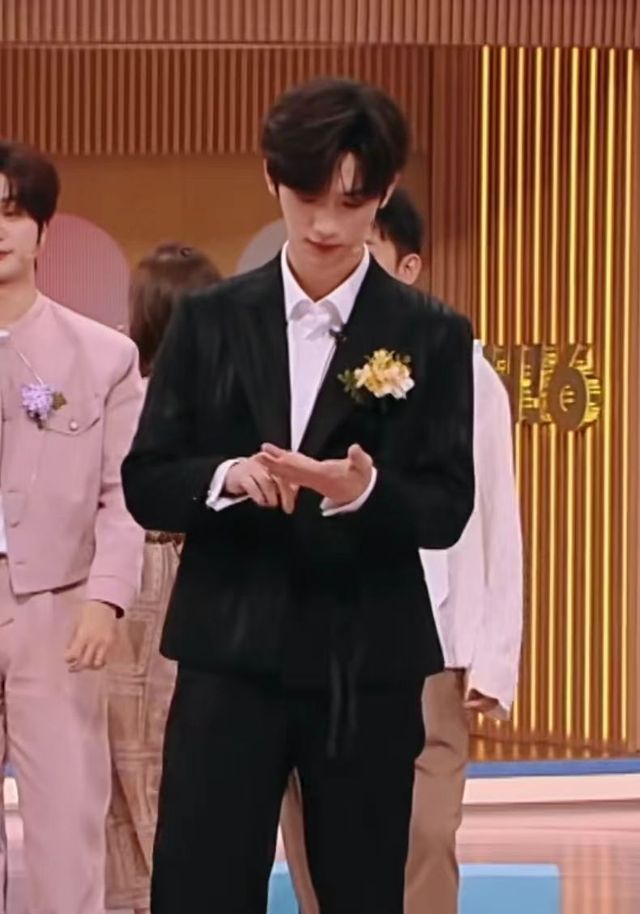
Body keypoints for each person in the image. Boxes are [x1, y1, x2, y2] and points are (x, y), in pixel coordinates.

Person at [122, 78, 475, 914]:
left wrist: (364, 490)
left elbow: (447, 505)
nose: (324, 225)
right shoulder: (209, 321)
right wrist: (224, 477)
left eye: (351, 203)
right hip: (228, 656)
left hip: (367, 665)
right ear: (271, 179)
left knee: (361, 890)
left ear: (385, 193)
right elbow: (146, 479)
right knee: (201, 886)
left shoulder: (431, 334)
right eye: (307, 197)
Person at [280, 188, 523, 914]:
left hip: (430, 641)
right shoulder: (291, 354)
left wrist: (495, 656)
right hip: (313, 628)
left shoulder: (464, 368)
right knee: (317, 831)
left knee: (423, 834)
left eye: (366, 253)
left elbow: (495, 512)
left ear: (409, 268)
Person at [0, 140, 144, 914]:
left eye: (11, 212)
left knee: (65, 829)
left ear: (41, 230)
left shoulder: (104, 356)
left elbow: (124, 495)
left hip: (58, 610)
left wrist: (106, 598)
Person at [105, 242, 221, 914]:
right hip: (176, 572)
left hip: (135, 577)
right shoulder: (215, 398)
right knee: (159, 753)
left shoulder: (128, 394)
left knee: (132, 756)